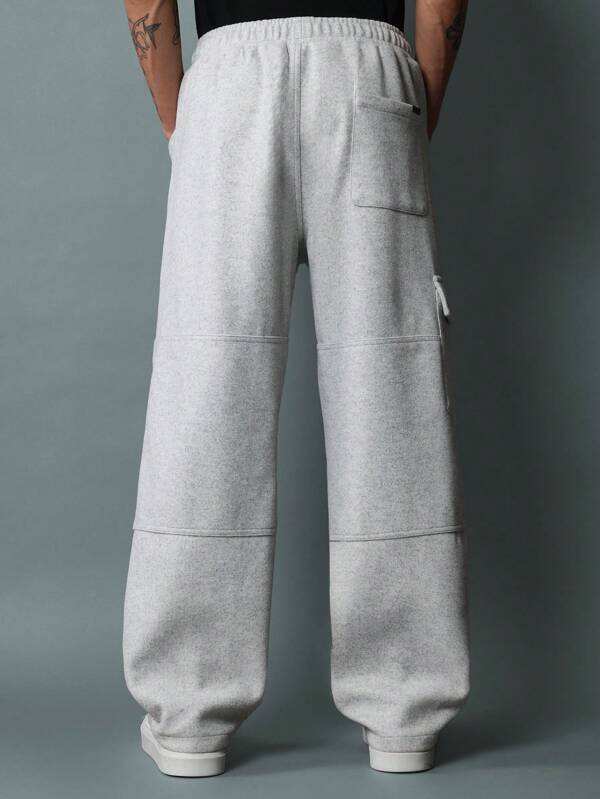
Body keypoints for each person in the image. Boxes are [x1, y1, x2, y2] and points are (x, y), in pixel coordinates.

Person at [122, 0, 470, 778]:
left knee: (204, 390)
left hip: (230, 81)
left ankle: (190, 712)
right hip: (370, 73)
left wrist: (188, 127)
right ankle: (404, 707)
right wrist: (407, 120)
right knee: (391, 391)